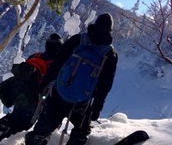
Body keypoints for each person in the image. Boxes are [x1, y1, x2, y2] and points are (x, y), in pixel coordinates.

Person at [25, 13, 118, 145]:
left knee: (41, 131)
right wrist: (96, 108)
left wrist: (44, 84)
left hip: (58, 94)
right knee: (81, 131)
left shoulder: (77, 40)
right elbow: (105, 85)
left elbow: (57, 64)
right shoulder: (110, 54)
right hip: (81, 103)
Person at [0, 33, 63, 142]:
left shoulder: (35, 56)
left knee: (16, 116)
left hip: (17, 90)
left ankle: (3, 128)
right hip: (32, 98)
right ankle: (5, 139)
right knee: (23, 123)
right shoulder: (55, 64)